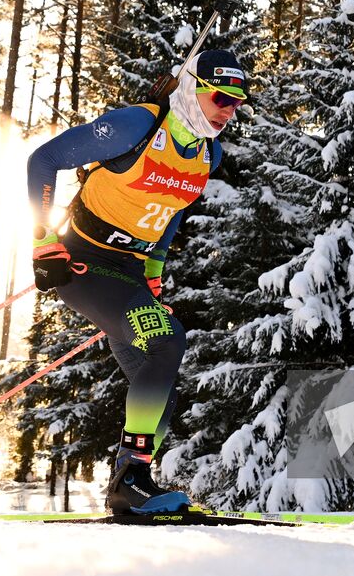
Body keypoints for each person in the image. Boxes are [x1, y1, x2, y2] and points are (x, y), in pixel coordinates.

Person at [26, 48, 247, 515]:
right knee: (168, 342)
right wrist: (43, 239)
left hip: (128, 273)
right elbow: (43, 160)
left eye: (237, 101)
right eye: (222, 97)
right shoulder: (138, 125)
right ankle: (131, 479)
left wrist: (152, 275)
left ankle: (129, 489)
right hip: (83, 261)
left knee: (158, 393)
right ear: (193, 89)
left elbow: (170, 213)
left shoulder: (210, 152)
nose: (230, 110)